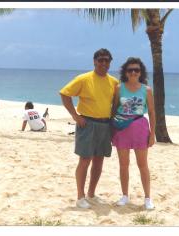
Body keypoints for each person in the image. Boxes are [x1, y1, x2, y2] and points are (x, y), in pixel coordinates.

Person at [59, 48, 119, 209]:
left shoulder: (114, 82)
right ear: (94, 61)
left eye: (107, 60)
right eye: (101, 60)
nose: (104, 63)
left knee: (99, 161)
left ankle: (92, 194)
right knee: (85, 160)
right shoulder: (84, 79)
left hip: (105, 125)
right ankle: (80, 196)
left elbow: (116, 103)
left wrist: (114, 121)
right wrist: (75, 116)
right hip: (87, 123)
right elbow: (65, 94)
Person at [111, 57, 156, 210]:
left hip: (140, 128)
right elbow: (114, 109)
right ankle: (124, 195)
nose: (133, 72)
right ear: (126, 72)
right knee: (123, 165)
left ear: (140, 72)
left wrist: (152, 133)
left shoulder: (146, 90)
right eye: (130, 70)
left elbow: (151, 111)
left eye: (136, 70)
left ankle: (148, 198)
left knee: (143, 165)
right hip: (122, 129)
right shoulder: (119, 88)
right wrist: (112, 129)